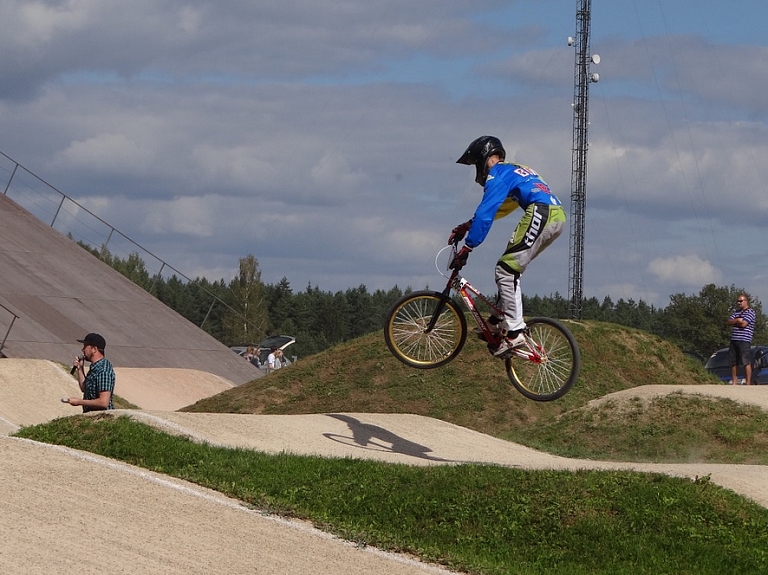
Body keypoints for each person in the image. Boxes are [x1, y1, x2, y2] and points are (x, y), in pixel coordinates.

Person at [449, 135, 566, 358]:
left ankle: (515, 332)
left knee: (505, 270)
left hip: (541, 213)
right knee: (510, 268)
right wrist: (468, 225)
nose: (477, 171)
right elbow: (501, 207)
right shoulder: (516, 169)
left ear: (484, 158)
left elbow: (487, 210)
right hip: (555, 216)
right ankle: (496, 321)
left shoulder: (497, 174)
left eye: (475, 164)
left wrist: (468, 247)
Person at [64, 333, 116, 411]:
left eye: (85, 346)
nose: (83, 350)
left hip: (102, 417)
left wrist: (79, 402)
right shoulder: (95, 367)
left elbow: (103, 402)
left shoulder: (103, 371)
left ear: (94, 349)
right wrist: (80, 368)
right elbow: (84, 388)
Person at [726, 294, 755, 385]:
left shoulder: (751, 312)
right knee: (733, 362)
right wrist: (738, 320)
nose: (739, 303)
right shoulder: (736, 312)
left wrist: (736, 322)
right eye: (738, 301)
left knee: (745, 361)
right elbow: (728, 321)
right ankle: (734, 382)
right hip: (734, 339)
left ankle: (748, 383)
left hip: (744, 340)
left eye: (740, 301)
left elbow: (744, 324)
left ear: (746, 301)